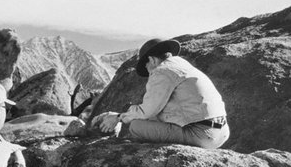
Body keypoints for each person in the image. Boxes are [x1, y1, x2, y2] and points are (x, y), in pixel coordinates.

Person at [93, 38, 229, 149]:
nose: (149, 73)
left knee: (136, 126)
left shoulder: (162, 71)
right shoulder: (181, 65)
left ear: (152, 60)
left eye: (147, 68)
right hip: (221, 132)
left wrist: (118, 118)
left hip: (202, 135)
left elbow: (146, 111)